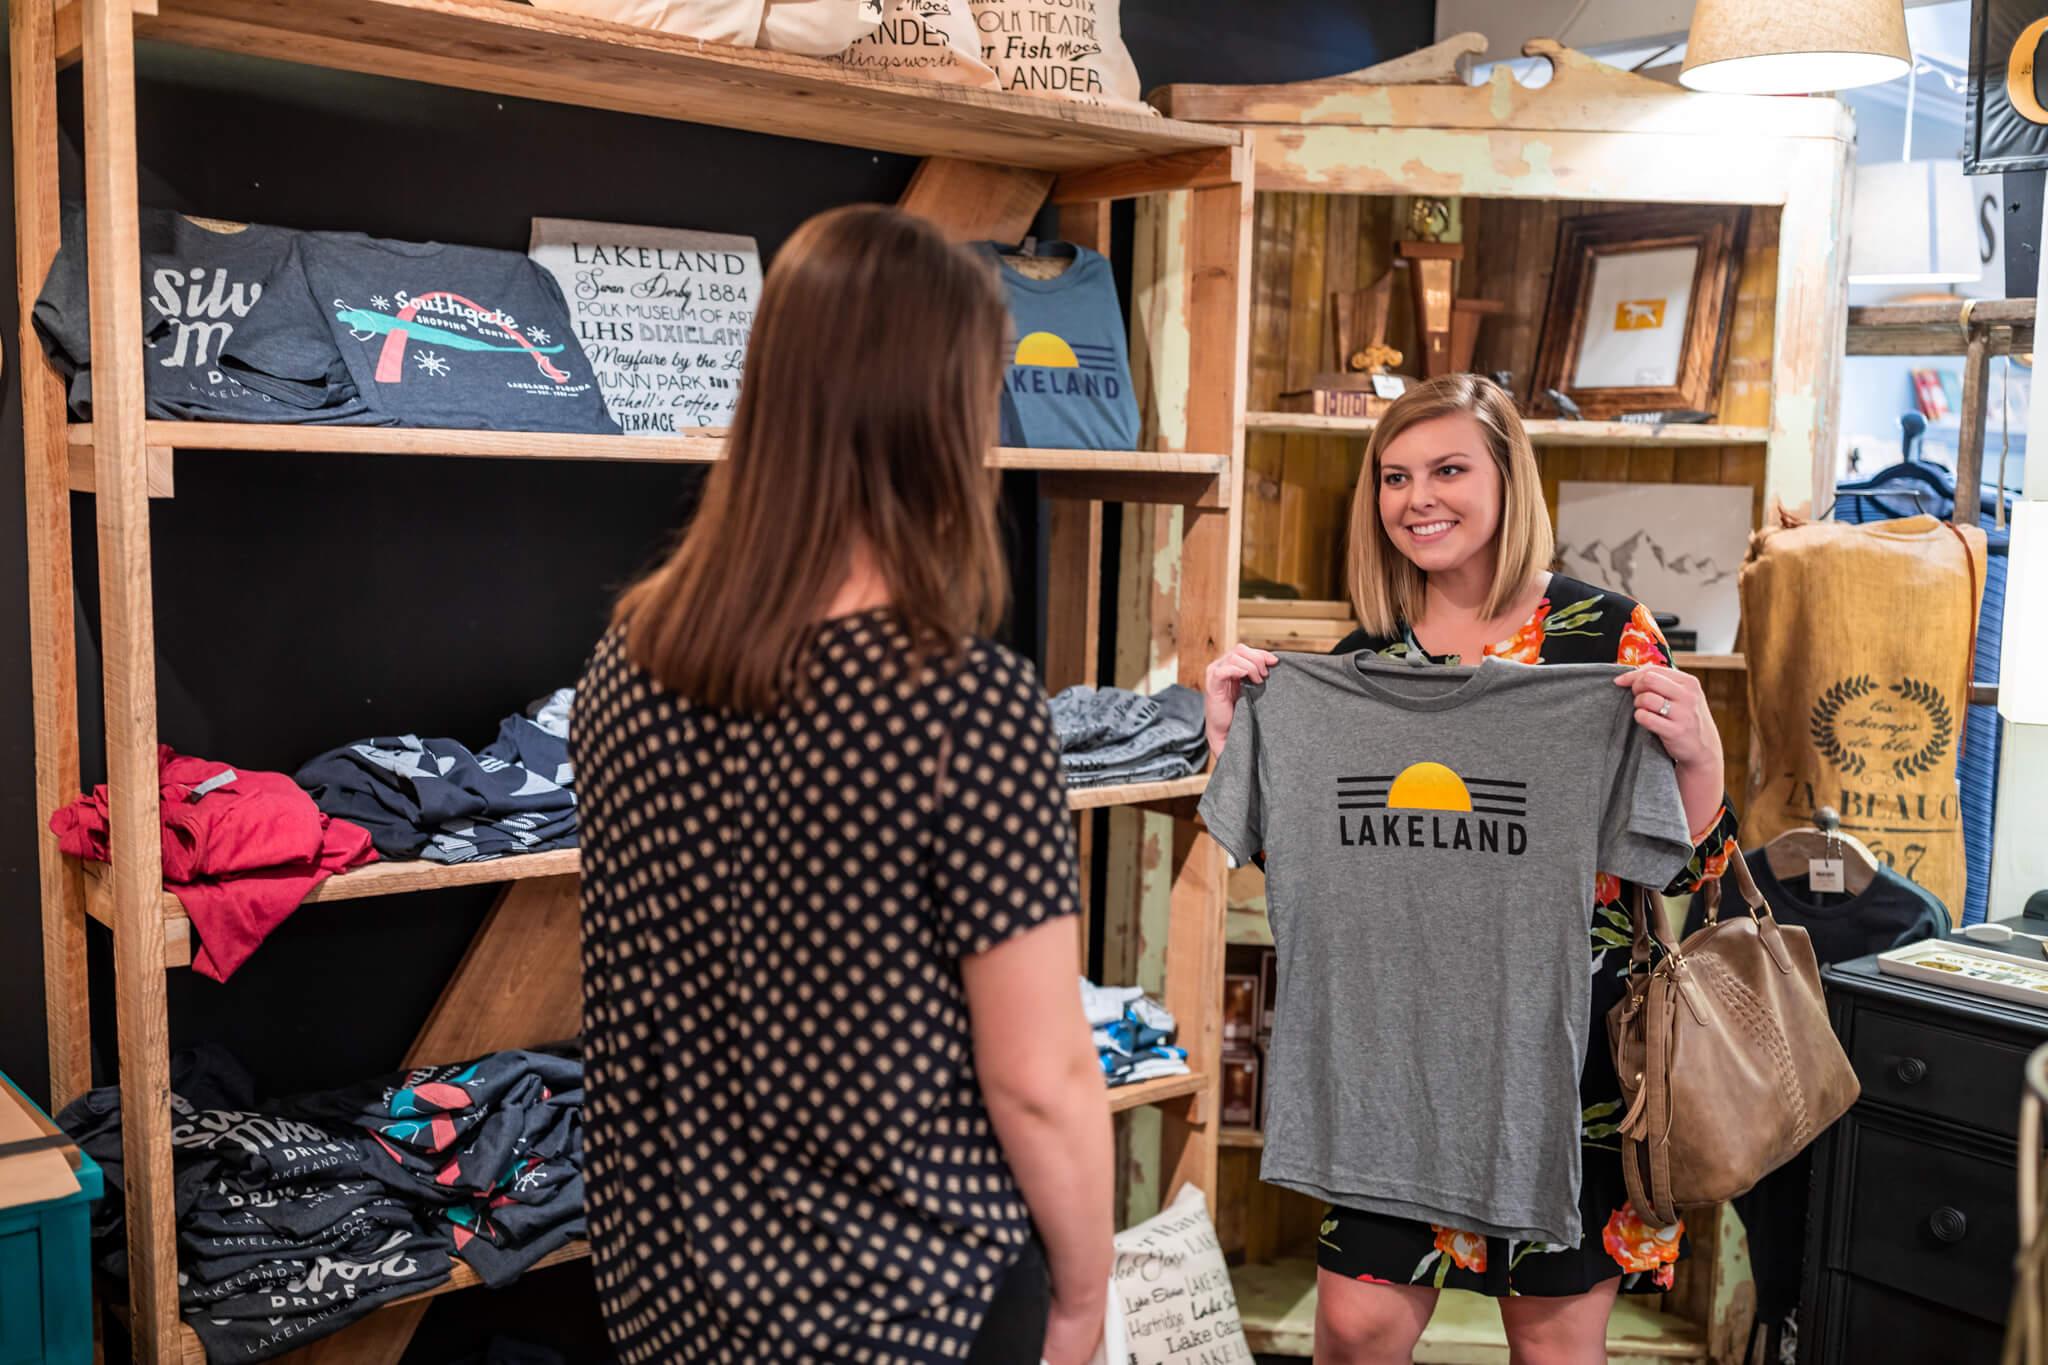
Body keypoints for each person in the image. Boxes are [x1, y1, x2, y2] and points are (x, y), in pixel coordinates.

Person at [572, 204, 1112, 1365]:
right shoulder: (959, 704)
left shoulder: (630, 659)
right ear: (942, 409)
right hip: (905, 1299)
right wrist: (1083, 1293)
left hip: (670, 1294)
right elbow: (1038, 1075)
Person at [1203, 374, 1741, 1365]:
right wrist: (1236, 735)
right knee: (1355, 1331)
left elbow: (1685, 873)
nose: (1417, 499)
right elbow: (1320, 870)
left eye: (1448, 469)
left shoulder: (1603, 638)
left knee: (1549, 1347)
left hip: (1563, 1056)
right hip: (1395, 1060)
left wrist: (1700, 756)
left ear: (1507, 479)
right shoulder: (1362, 661)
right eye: (1394, 476)